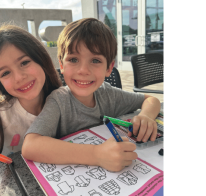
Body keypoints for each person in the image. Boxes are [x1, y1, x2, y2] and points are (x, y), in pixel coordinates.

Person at [22, 18, 161, 171]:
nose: (83, 70)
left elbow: (151, 99)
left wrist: (146, 116)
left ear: (109, 68)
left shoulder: (108, 94)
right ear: (61, 65)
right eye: (73, 59)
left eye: (95, 60)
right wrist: (96, 155)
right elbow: (30, 146)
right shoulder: (59, 100)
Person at [0, 24, 62, 156]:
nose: (19, 77)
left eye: (24, 62)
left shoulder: (66, 101)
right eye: (5, 73)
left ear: (41, 59)